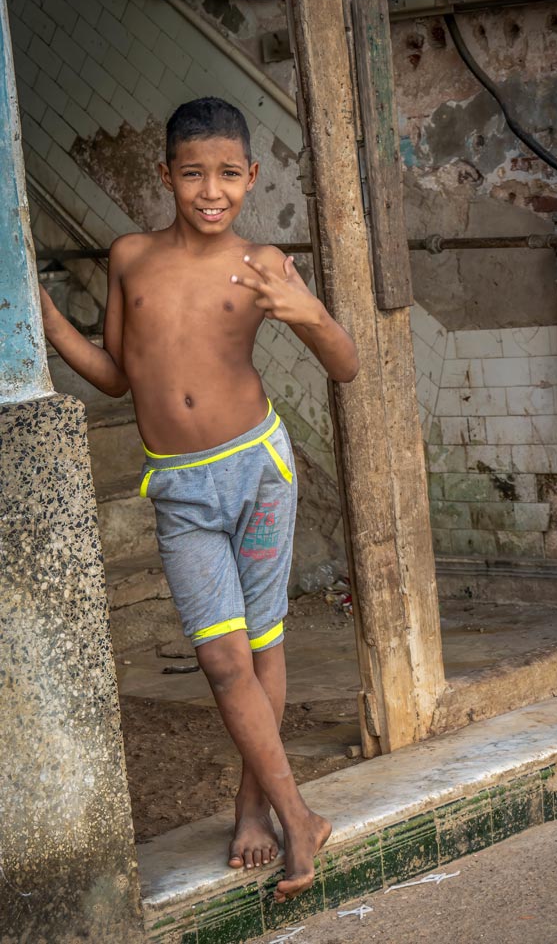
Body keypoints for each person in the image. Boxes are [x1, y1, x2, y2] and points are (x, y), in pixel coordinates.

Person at [39, 96, 359, 903]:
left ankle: (258, 809)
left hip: (257, 467)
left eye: (227, 174)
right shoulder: (130, 257)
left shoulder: (264, 264)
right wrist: (41, 317)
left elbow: (346, 362)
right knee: (221, 659)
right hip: (179, 487)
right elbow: (116, 374)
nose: (210, 191)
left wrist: (307, 312)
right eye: (192, 174)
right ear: (165, 175)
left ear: (250, 177)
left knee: (262, 643)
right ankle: (298, 813)